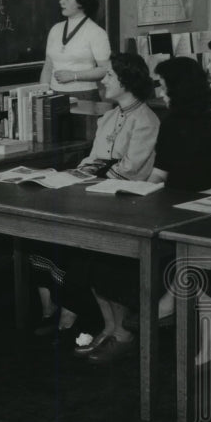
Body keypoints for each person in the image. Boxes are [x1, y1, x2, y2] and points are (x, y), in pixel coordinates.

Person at [83, 57, 211, 364]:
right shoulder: (173, 122)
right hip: (171, 206)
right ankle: (143, 314)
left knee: (198, 253)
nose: (159, 91)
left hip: (205, 209)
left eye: (163, 85)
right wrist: (138, 194)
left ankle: (171, 311)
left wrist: (178, 202)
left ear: (179, 87)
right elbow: (159, 176)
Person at [31, 53, 160, 340]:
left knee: (83, 252)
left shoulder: (146, 120)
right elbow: (92, 160)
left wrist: (87, 179)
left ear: (127, 81)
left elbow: (131, 172)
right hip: (94, 194)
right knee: (42, 240)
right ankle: (65, 306)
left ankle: (97, 320)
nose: (103, 80)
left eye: (110, 75)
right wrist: (73, 177)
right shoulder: (109, 117)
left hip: (125, 203)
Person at [39, 0, 111, 101]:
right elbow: (48, 66)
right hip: (54, 94)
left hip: (84, 96)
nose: (61, 2)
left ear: (81, 2)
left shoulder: (97, 33)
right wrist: (41, 93)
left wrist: (74, 76)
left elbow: (105, 69)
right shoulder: (55, 30)